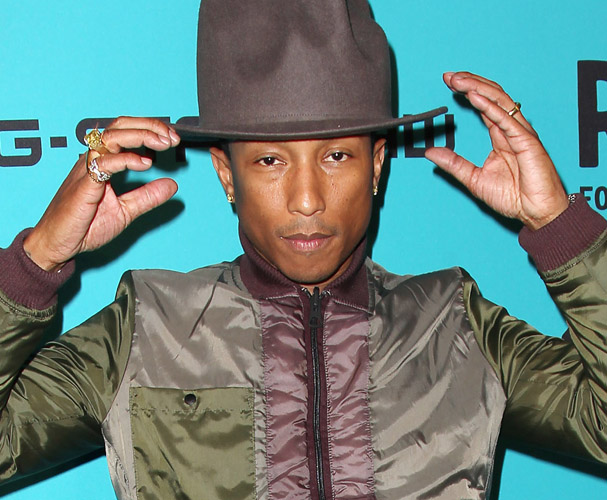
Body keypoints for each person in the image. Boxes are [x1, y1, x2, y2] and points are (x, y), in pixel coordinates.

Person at [0, 1, 606, 499]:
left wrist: (559, 228)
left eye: (336, 155)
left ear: (377, 165)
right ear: (227, 174)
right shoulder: (148, 328)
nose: (307, 199)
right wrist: (35, 264)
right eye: (269, 161)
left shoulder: (454, 324)